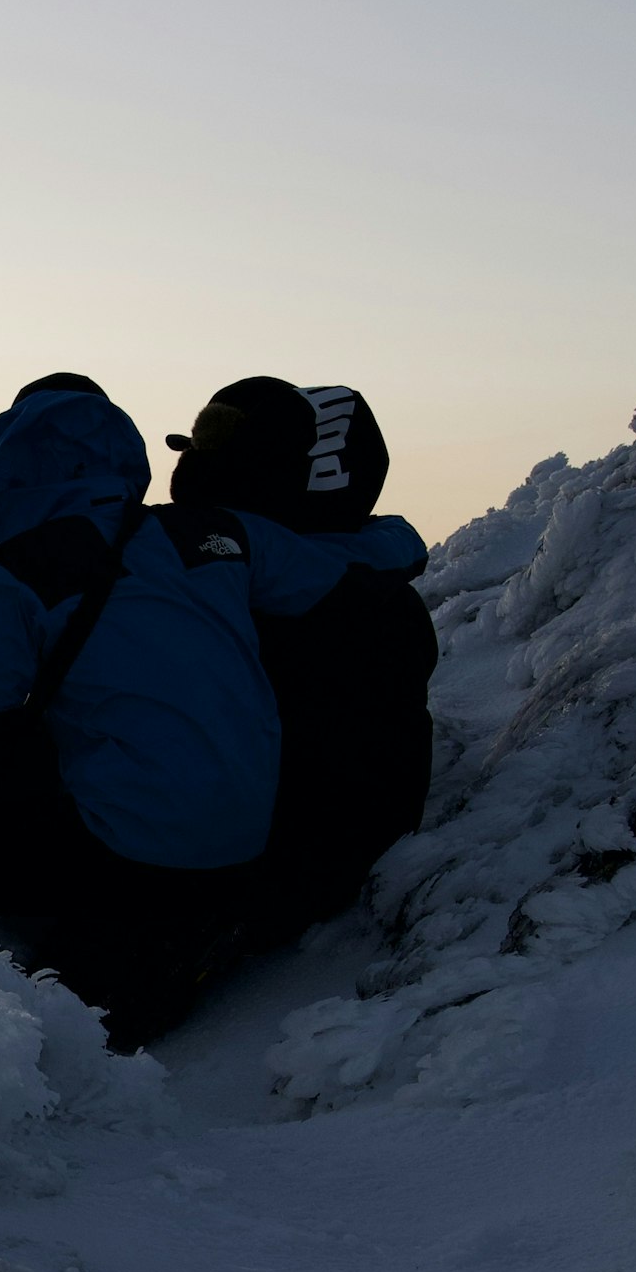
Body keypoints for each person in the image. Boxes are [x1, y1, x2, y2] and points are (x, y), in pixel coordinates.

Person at [0, 372, 434, 1047]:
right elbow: (349, 567)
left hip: (132, 847)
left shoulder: (11, 574)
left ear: (4, 471)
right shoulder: (212, 536)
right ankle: (152, 947)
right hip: (250, 841)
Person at [158, 376, 437, 943]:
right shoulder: (379, 596)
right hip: (307, 870)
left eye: (218, 445)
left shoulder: (248, 604)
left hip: (256, 886)